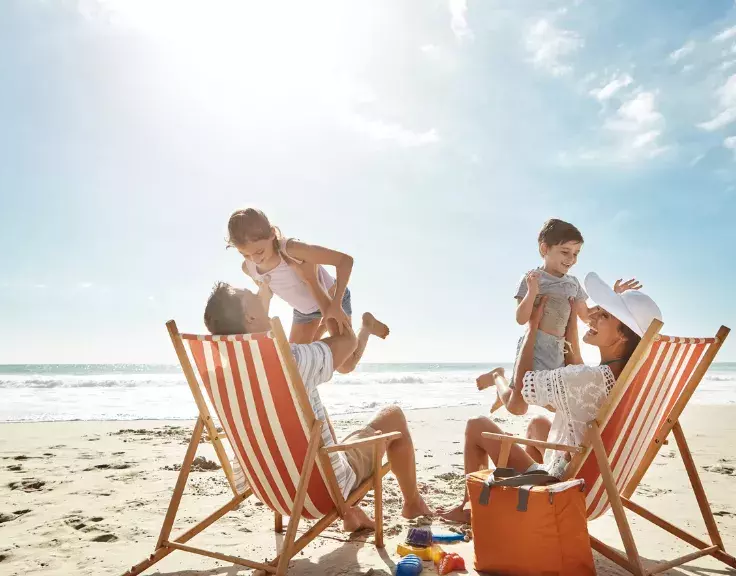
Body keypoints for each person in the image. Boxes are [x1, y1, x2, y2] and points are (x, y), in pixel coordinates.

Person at [203, 274, 432, 532]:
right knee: (394, 416)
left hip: (269, 488)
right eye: (252, 297)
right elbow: (348, 343)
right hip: (322, 490)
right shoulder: (288, 360)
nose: (259, 298)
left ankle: (351, 514)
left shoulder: (222, 375)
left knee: (311, 413)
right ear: (250, 318)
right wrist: (326, 302)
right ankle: (412, 503)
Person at [440, 272, 662, 523]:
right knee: (538, 425)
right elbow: (576, 362)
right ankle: (524, 503)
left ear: (623, 335)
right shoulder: (628, 378)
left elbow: (524, 387)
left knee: (476, 425)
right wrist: (580, 320)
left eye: (605, 315)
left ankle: (469, 508)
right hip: (602, 485)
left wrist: (532, 329)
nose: (594, 315)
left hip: (565, 489)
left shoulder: (590, 379)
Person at [477, 218, 642, 409]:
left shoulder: (573, 284)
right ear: (544, 249)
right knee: (517, 407)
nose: (571, 259)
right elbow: (521, 319)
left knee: (557, 404)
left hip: (559, 350)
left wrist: (612, 299)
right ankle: (498, 377)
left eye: (576, 253)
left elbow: (587, 316)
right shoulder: (531, 278)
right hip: (535, 348)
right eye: (565, 252)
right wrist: (532, 292)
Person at [226, 207, 389, 373]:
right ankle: (322, 326)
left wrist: (336, 303)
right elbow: (268, 293)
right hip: (305, 312)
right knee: (294, 366)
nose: (255, 259)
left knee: (345, 366)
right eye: (245, 254)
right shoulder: (249, 268)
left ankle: (366, 327)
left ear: (272, 234)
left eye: (259, 251)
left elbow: (345, 261)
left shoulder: (292, 249)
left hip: (330, 299)